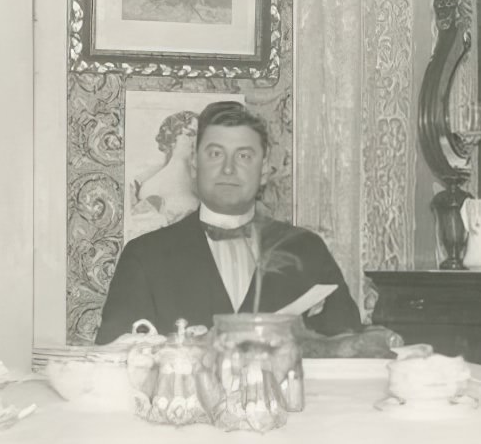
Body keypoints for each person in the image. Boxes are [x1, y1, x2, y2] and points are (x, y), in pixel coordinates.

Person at [97, 101, 363, 343]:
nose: (228, 168)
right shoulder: (144, 257)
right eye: (215, 154)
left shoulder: (306, 250)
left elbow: (349, 349)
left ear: (263, 170)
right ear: (194, 165)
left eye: (244, 156)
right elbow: (113, 367)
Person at [127, 110, 200, 236]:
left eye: (200, 135)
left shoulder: (202, 180)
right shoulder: (152, 185)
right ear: (172, 141)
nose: (196, 141)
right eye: (190, 134)